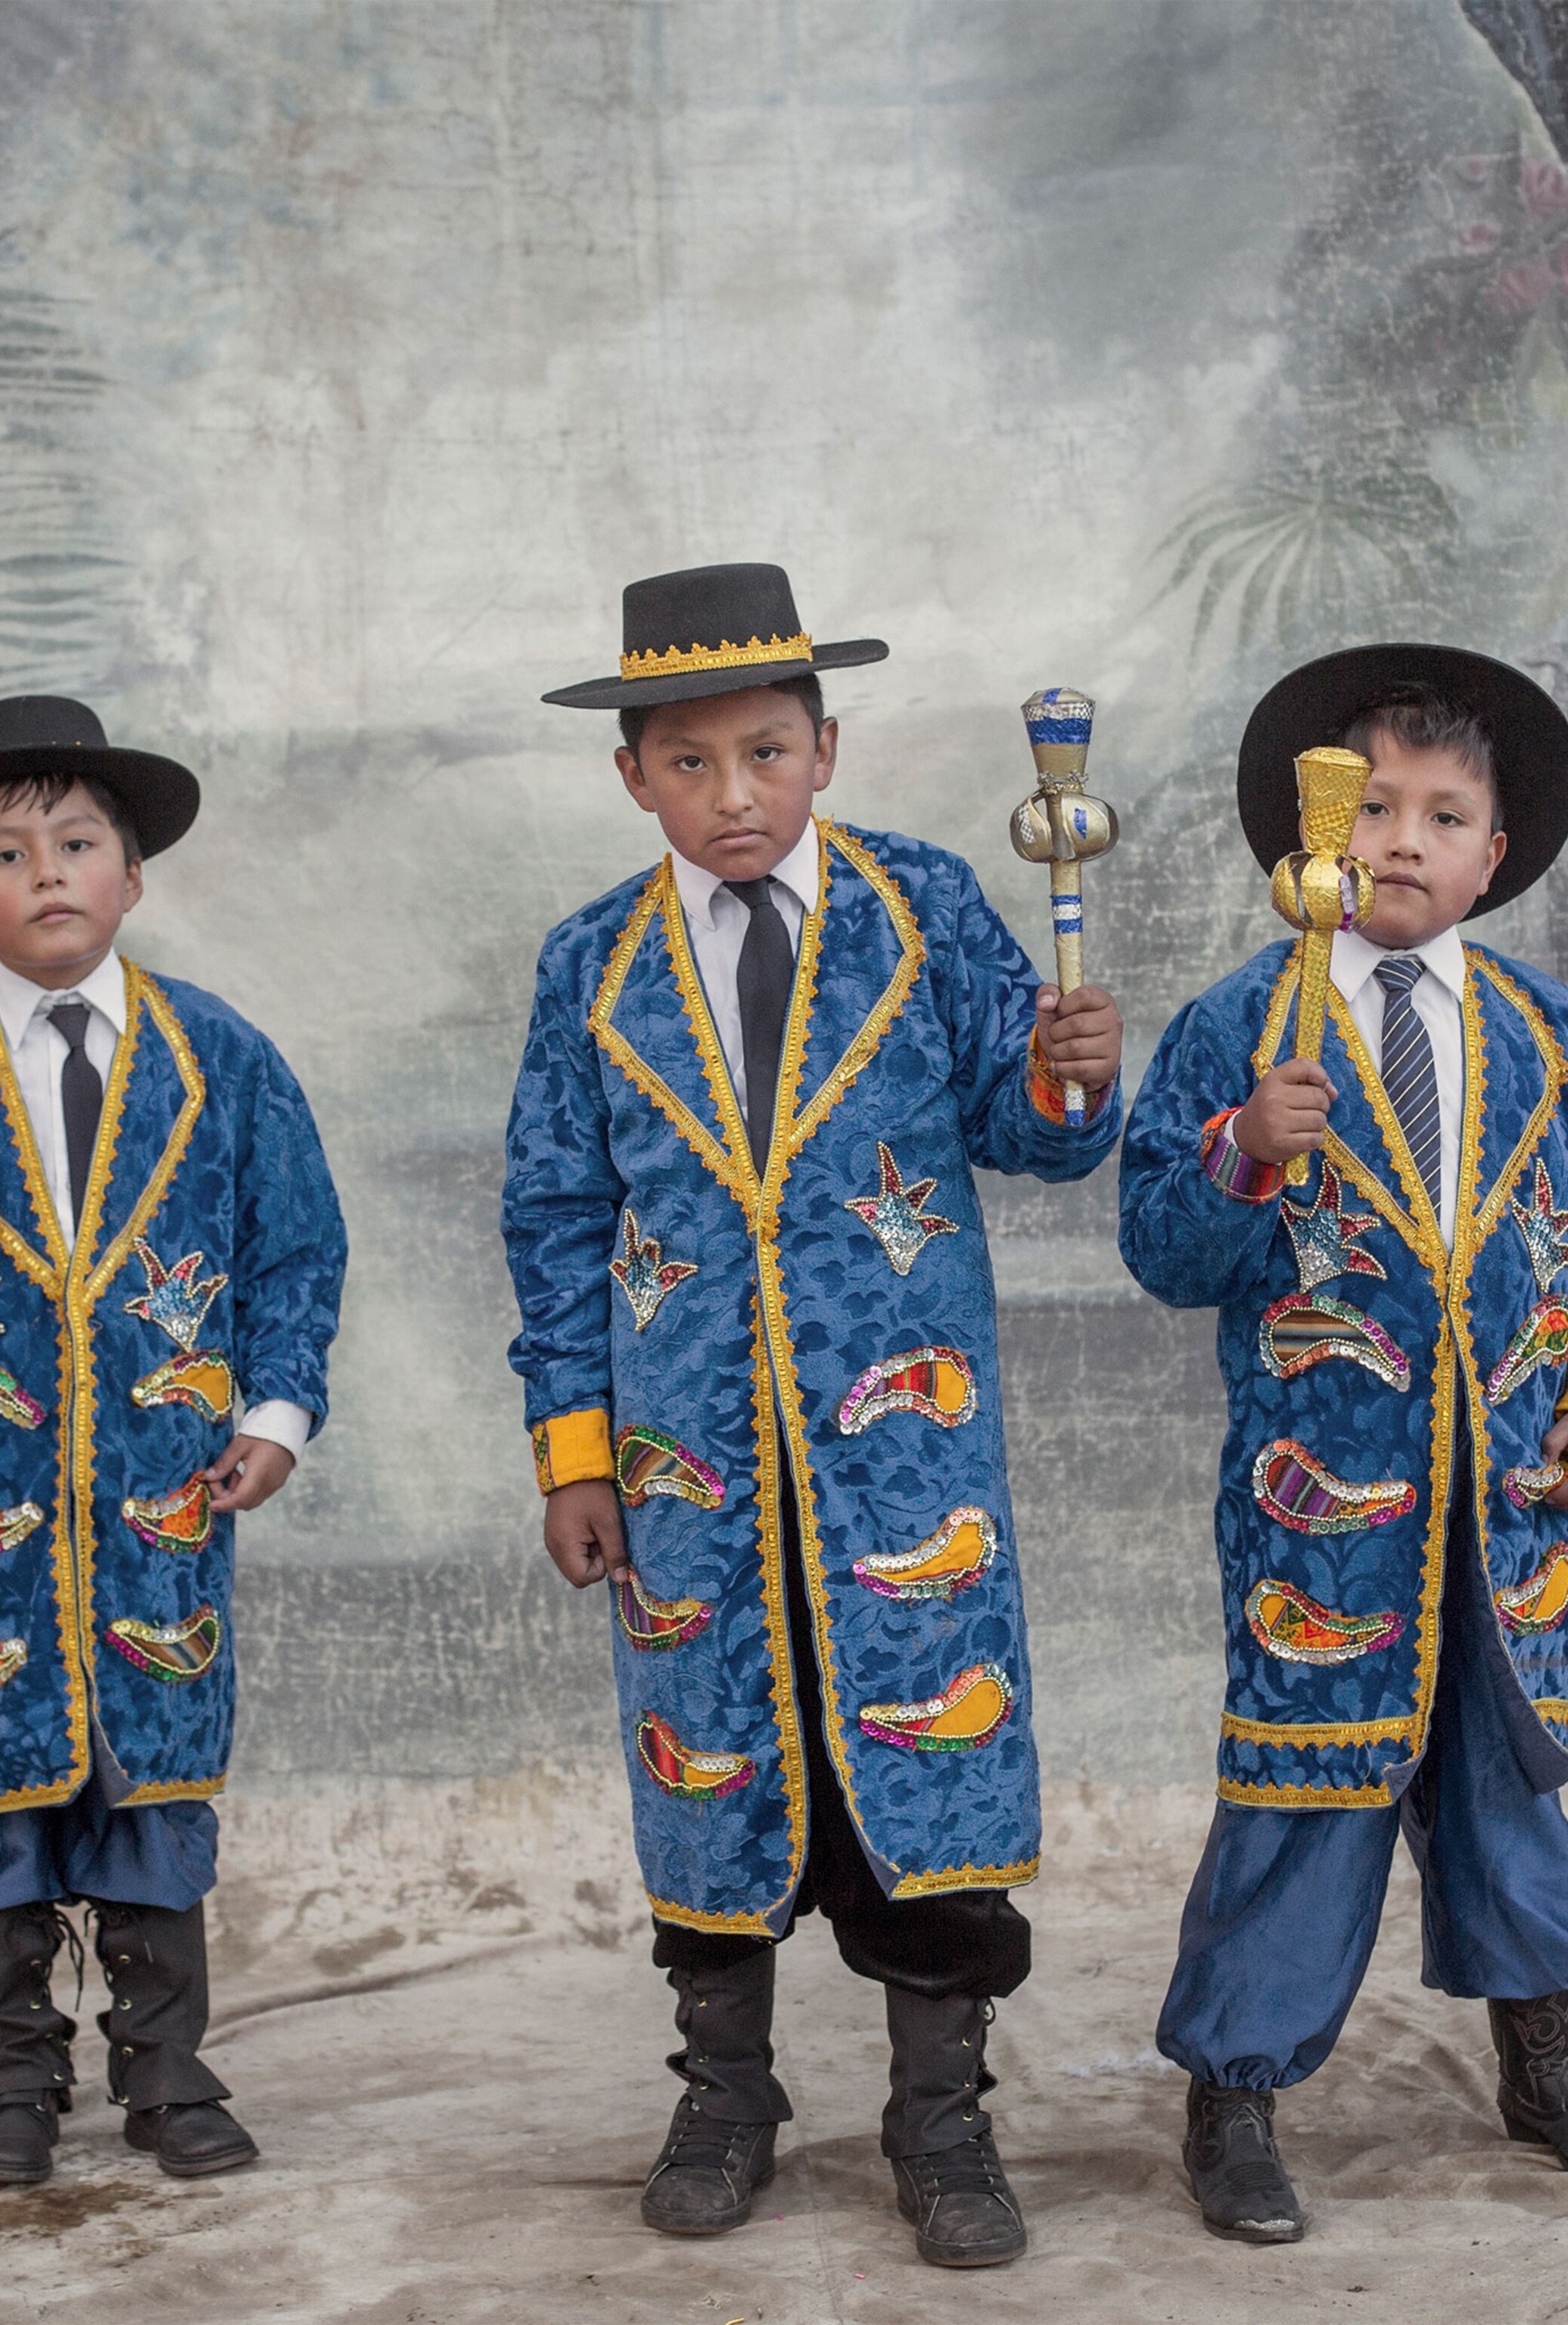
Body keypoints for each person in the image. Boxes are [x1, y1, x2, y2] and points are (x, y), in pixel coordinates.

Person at [502, 564, 1125, 2267]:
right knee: (711, 1754)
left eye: (766, 754)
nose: (733, 797)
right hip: (687, 1451)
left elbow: (1039, 1132)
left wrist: (1075, 1062)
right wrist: (574, 1448)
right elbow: (555, 1218)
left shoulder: (921, 907)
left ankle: (941, 2118)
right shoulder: (591, 966)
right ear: (632, 776)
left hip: (896, 1451)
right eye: (690, 765)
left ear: (827, 750)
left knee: (921, 1755)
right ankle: (727, 2090)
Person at [1119, 646, 1568, 2243]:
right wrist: (1239, 1155)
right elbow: (1160, 1246)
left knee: (1508, 1778)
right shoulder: (1245, 1027)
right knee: (1305, 1787)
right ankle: (1234, 2097)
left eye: (1445, 814)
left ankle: (1545, 2065)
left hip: (1507, 1503)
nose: (1404, 841)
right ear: (1313, 833)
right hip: (1325, 1511)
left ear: (1495, 852)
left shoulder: (1554, 1036)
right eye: (1374, 809)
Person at [0, 696, 346, 2186]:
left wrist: (277, 1413)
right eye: (4, 850)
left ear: (132, 873)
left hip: (164, 1497)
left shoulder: (219, 1060)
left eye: (76, 841)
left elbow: (295, 1253)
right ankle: (10, 2084)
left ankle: (169, 2071)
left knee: (156, 1769)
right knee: (3, 1778)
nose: (46, 872)